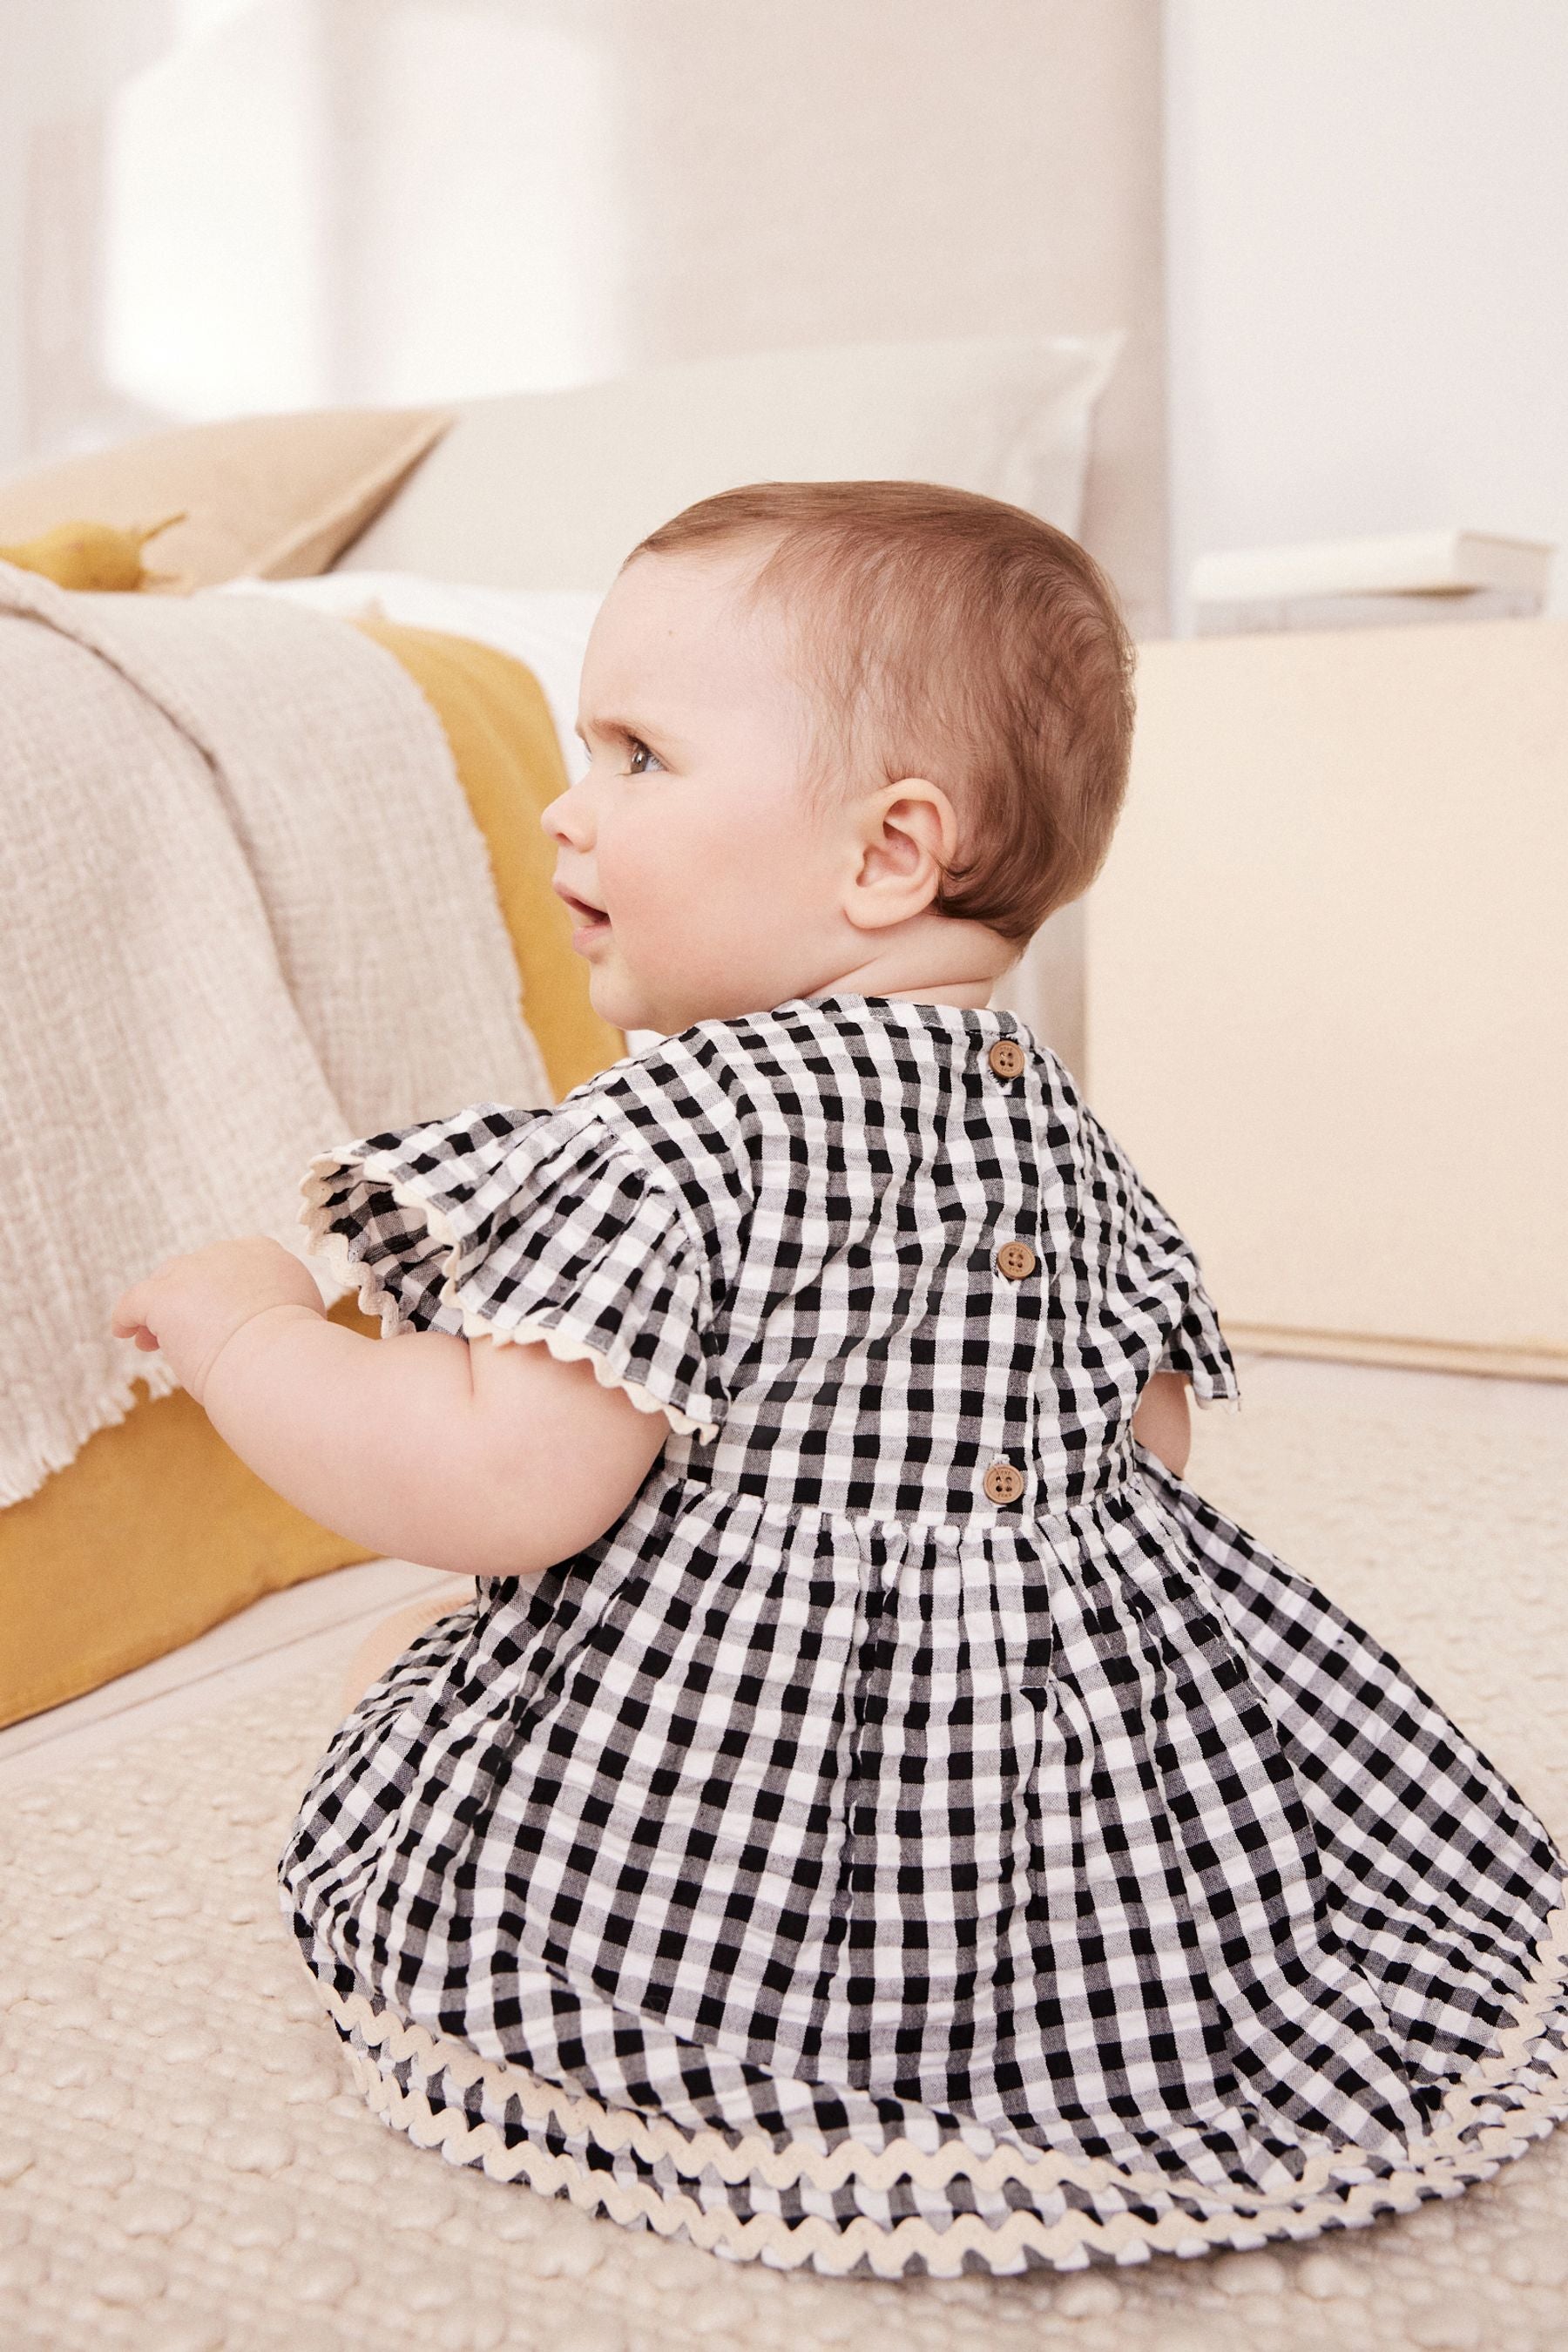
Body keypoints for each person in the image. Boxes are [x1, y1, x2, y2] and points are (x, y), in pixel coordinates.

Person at [110, 481, 1568, 2279]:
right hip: (1059, 1759)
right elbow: (1150, 1443)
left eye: (637, 755)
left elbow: (505, 1484)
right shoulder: (1060, 1128)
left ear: (887, 852)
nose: (567, 804)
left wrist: (250, 1331)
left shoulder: (679, 1134)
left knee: (463, 1731)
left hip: (755, 1785)